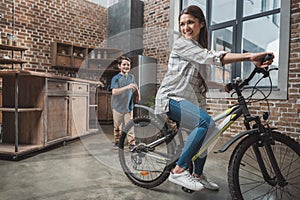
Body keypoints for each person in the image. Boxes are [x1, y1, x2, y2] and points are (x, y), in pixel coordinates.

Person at [154, 5, 274, 191]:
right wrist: (250, 55)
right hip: (170, 98)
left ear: (201, 24)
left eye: (190, 22)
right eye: (182, 24)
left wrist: (225, 86)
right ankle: (178, 170)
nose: (186, 27)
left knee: (209, 132)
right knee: (205, 123)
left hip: (189, 102)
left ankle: (198, 175)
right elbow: (210, 57)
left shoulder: (198, 49)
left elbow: (205, 81)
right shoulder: (182, 44)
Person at [110, 56, 140, 149]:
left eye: (128, 65)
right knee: (117, 126)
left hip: (129, 106)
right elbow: (114, 92)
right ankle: (118, 141)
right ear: (119, 66)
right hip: (118, 106)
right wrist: (127, 87)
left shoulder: (131, 77)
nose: (126, 66)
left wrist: (138, 95)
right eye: (124, 64)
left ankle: (132, 143)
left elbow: (135, 86)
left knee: (130, 126)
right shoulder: (115, 78)